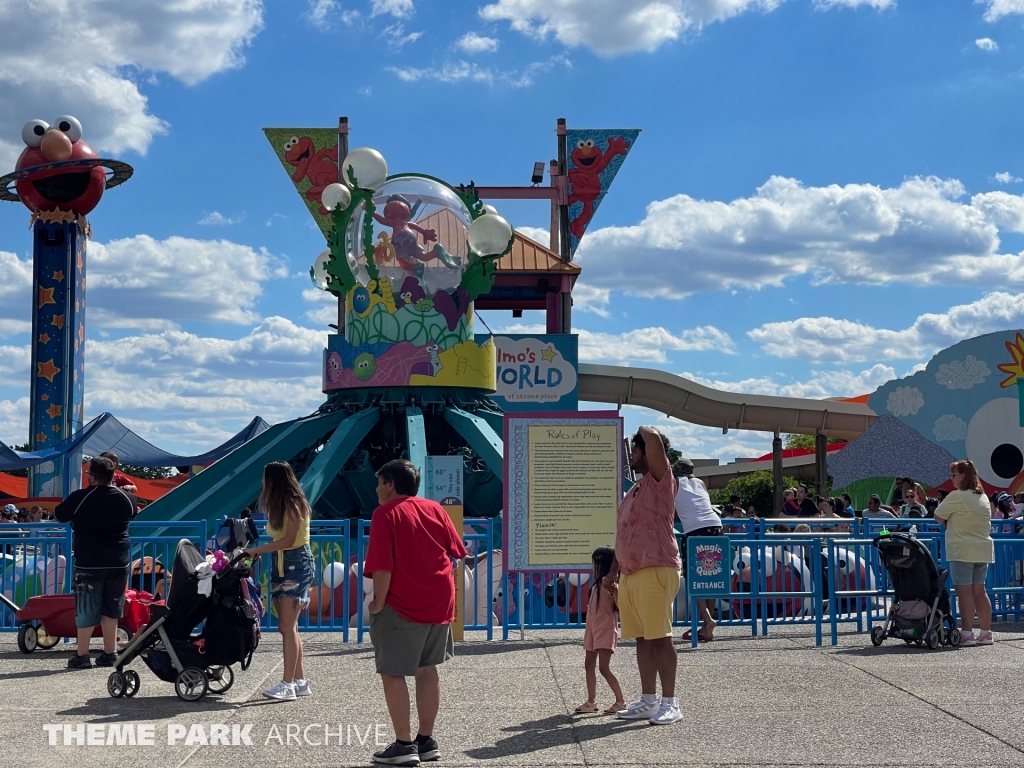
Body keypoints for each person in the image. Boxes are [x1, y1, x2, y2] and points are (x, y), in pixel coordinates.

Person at [363, 459, 467, 766]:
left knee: (393, 671)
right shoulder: (435, 509)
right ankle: (426, 741)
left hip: (403, 602)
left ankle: (404, 744)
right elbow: (457, 551)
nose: (376, 488)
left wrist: (378, 602)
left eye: (379, 481)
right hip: (440, 602)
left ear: (391, 484)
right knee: (427, 668)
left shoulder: (385, 514)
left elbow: (383, 566)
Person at [605, 426, 682, 726]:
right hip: (632, 572)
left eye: (635, 451)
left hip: (656, 567)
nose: (632, 455)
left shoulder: (661, 480)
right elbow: (624, 533)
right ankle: (649, 700)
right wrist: (613, 570)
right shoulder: (635, 489)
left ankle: (670, 702)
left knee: (660, 637)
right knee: (642, 638)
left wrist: (641, 429)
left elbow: (652, 439)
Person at [55, 456, 138, 669]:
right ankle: (110, 652)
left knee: (85, 609)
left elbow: (59, 516)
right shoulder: (127, 498)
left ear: (92, 476)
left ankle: (82, 655)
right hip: (118, 561)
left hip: (89, 562)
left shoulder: (80, 498)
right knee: (112, 609)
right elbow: (131, 516)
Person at [242, 461, 315, 701]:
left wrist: (258, 550)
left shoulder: (293, 503)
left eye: (265, 479)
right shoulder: (283, 504)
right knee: (290, 627)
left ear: (273, 480)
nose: (263, 483)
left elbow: (289, 540)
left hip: (296, 564)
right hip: (281, 564)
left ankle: (287, 685)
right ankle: (300, 681)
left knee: (286, 627)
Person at [934, 460, 994, 647]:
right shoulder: (982, 497)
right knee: (979, 591)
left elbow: (938, 515)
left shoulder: (956, 496)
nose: (951, 478)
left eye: (954, 474)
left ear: (962, 476)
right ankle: (985, 633)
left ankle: (967, 633)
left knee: (964, 592)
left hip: (961, 549)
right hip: (982, 548)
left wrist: (951, 524)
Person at [673, 457, 724, 642]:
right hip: (716, 526)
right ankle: (706, 627)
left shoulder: (674, 483)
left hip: (694, 530)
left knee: (693, 577)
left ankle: (708, 619)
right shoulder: (700, 482)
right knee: (711, 576)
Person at [574, 546, 625, 715]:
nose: (592, 567)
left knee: (604, 668)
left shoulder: (610, 584)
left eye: (595, 563)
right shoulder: (596, 585)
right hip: (593, 629)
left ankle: (621, 701)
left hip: (605, 629)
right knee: (589, 663)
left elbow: (619, 605)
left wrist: (615, 589)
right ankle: (591, 702)